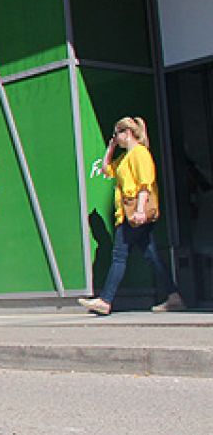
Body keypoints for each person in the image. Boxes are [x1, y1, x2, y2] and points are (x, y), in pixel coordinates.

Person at [78, 116, 185, 316]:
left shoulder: (139, 154)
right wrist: (110, 148)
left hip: (133, 214)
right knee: (151, 256)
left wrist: (140, 210)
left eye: (116, 134)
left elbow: (145, 184)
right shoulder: (125, 157)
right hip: (128, 215)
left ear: (127, 133)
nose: (115, 138)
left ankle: (106, 300)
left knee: (119, 257)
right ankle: (173, 296)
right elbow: (106, 169)